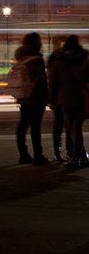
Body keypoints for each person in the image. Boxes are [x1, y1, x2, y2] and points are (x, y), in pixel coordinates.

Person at [47, 34, 89, 169]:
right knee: (76, 129)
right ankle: (80, 156)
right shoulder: (85, 58)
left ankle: (76, 158)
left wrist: (52, 99)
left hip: (65, 98)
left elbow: (53, 81)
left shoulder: (59, 59)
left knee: (73, 129)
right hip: (82, 97)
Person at [13, 32, 50, 165]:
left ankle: (23, 154)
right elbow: (40, 80)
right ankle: (38, 156)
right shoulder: (36, 58)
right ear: (37, 43)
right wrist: (47, 97)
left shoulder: (21, 57)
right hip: (36, 97)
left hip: (24, 96)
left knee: (23, 125)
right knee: (35, 127)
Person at [47, 37, 74, 162]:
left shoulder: (55, 58)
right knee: (70, 126)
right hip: (71, 96)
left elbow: (52, 81)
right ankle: (71, 150)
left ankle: (58, 151)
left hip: (59, 97)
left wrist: (51, 99)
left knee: (58, 125)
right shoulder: (76, 58)